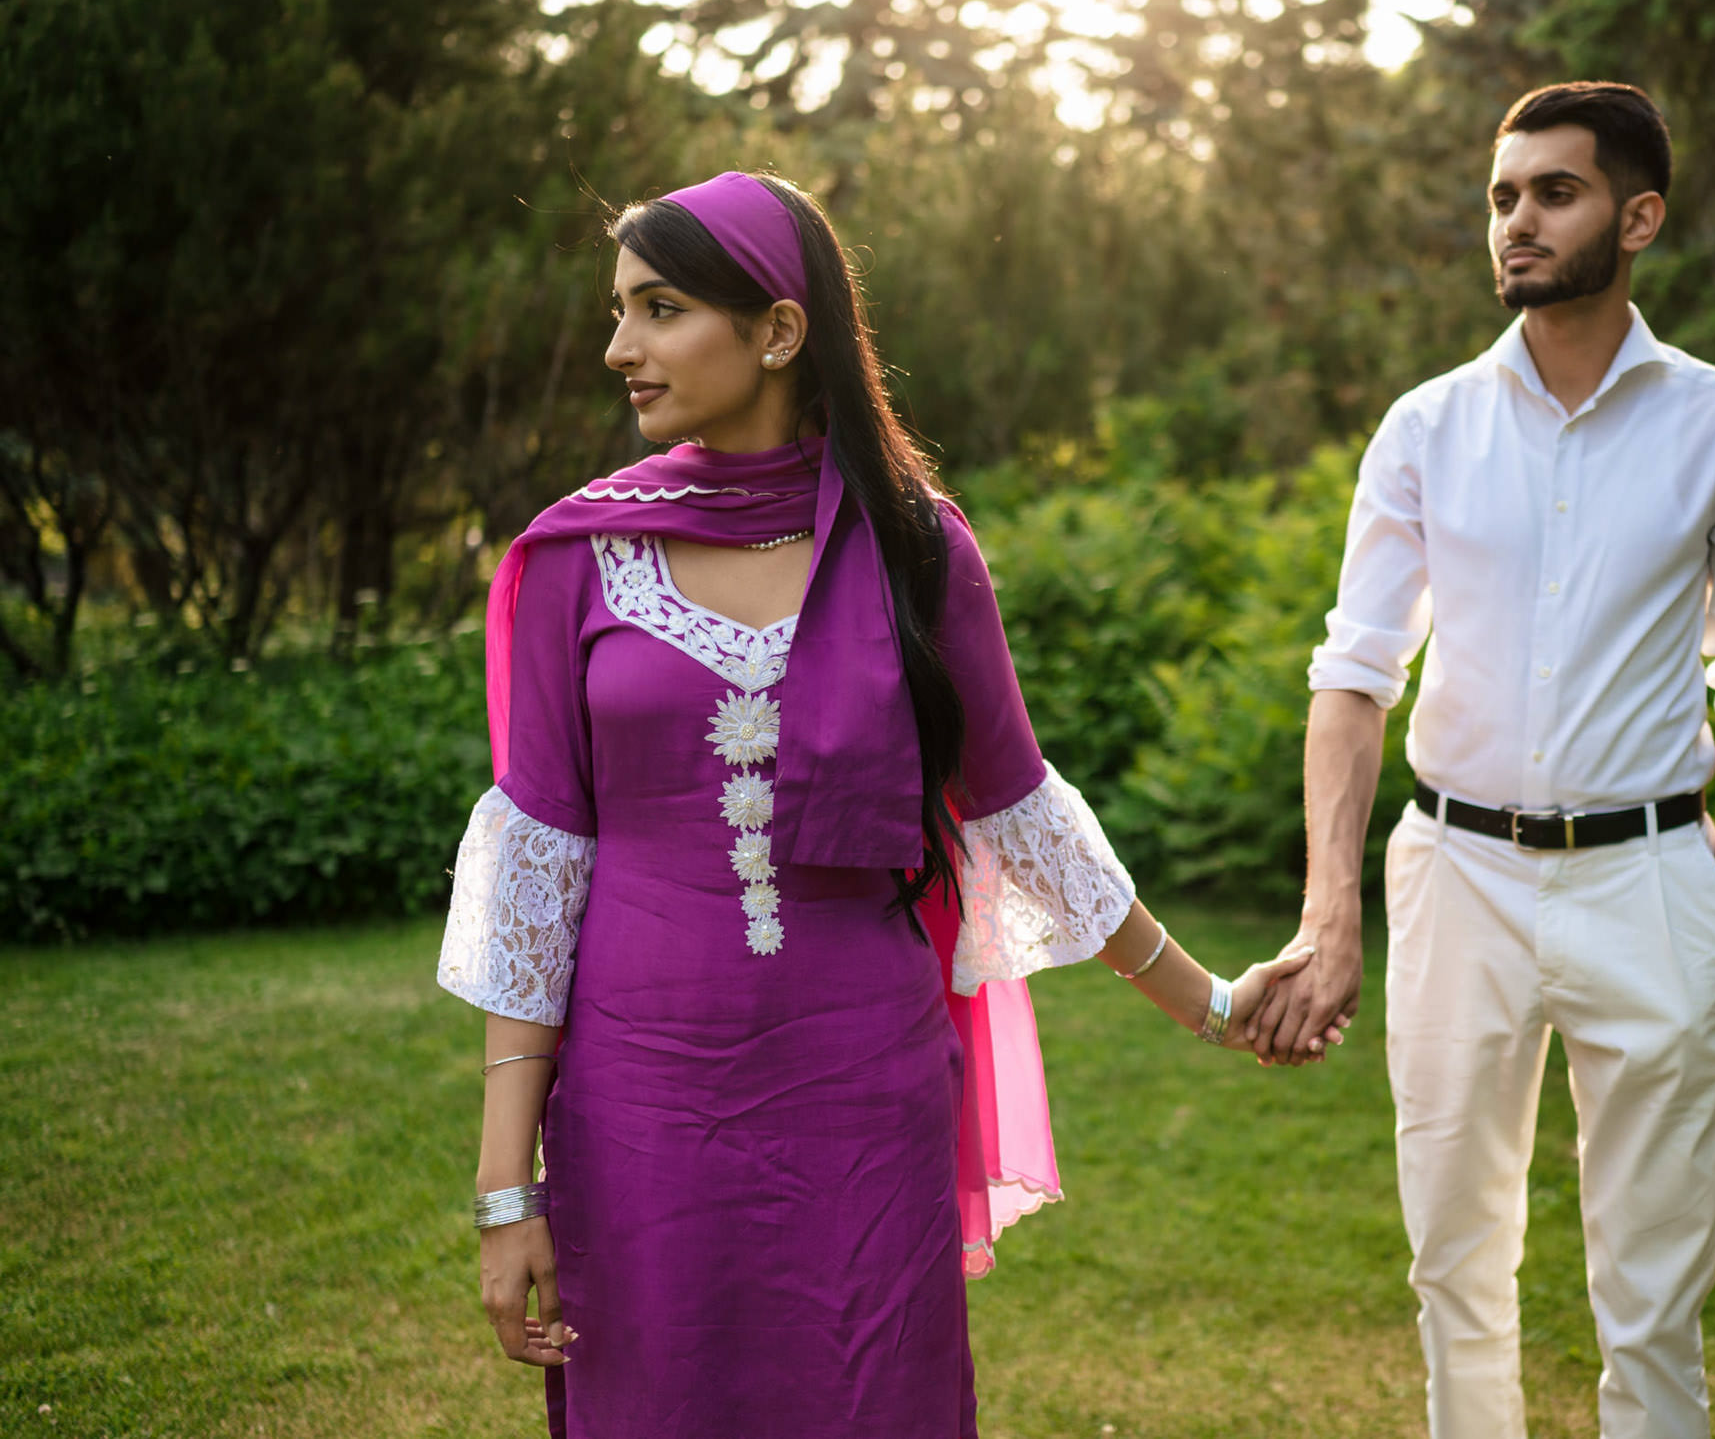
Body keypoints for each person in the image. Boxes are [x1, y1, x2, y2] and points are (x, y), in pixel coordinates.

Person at [434, 170, 1342, 1438]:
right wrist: (503, 1185)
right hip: (641, 1100)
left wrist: (1217, 1004)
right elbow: (541, 872)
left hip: (859, 1094)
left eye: (658, 308)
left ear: (778, 331)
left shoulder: (914, 547)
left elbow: (1020, 816)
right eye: (620, 310)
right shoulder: (581, 558)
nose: (617, 347)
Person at [1250, 83, 1715, 1439]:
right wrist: (1332, 916)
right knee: (1453, 1265)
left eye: (1553, 192)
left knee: (1655, 1291)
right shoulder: (1427, 427)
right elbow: (1354, 671)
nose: (1516, 220)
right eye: (1503, 195)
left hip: (1655, 883)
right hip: (1457, 877)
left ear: (1639, 215)